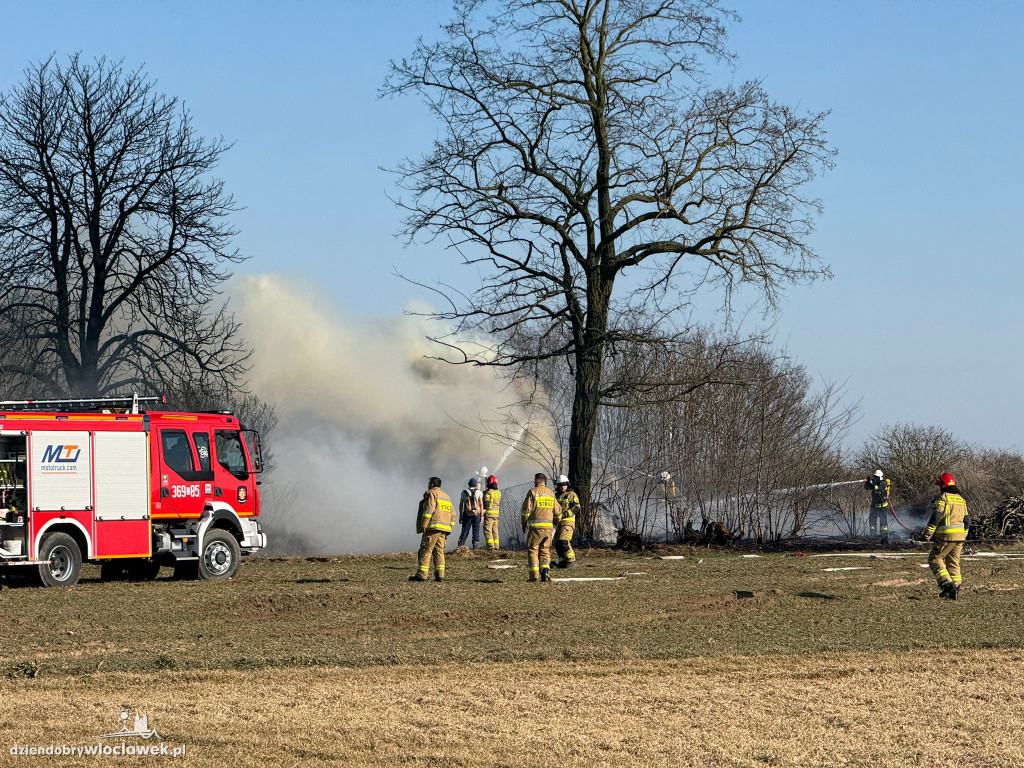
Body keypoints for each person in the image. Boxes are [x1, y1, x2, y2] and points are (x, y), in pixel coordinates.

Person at [923, 472, 970, 600]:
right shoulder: (961, 499)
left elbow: (936, 516)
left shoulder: (943, 498)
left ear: (942, 485)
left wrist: (928, 533)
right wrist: (964, 534)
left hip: (946, 536)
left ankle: (947, 585)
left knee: (935, 559)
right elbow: (967, 520)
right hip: (960, 537)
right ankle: (956, 588)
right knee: (953, 562)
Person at [411, 477, 455, 582]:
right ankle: (440, 575)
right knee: (439, 551)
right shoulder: (446, 496)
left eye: (428, 484)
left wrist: (423, 525)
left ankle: (421, 575)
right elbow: (453, 514)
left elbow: (429, 510)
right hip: (444, 529)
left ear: (431, 484)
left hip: (432, 528)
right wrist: (450, 528)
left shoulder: (431, 493)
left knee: (426, 550)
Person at [521, 472, 561, 582]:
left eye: (535, 480)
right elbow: (558, 513)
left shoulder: (533, 492)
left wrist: (524, 523)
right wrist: (555, 523)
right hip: (548, 528)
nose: (534, 482)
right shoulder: (551, 493)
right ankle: (545, 573)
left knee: (533, 549)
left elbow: (526, 511)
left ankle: (534, 576)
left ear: (538, 481)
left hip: (536, 528)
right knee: (545, 550)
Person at [553, 474, 579, 568]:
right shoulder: (555, 495)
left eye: (564, 485)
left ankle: (571, 560)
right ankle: (562, 561)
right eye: (561, 485)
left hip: (567, 523)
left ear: (567, 484)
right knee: (557, 543)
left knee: (563, 541)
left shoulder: (571, 494)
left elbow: (577, 508)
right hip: (557, 523)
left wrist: (565, 514)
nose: (563, 487)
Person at [864, 469, 891, 543]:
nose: (875, 478)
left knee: (883, 522)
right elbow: (867, 488)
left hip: (882, 507)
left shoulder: (883, 484)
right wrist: (867, 482)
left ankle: (884, 536)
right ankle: (873, 535)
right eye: (874, 477)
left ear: (880, 477)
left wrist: (871, 483)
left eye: (876, 477)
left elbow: (876, 488)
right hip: (874, 506)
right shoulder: (874, 483)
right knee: (872, 521)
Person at [457, 477, 483, 549]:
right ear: (476, 485)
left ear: (469, 484)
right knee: (476, 530)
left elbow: (461, 504)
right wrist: (481, 516)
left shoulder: (464, 492)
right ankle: (475, 546)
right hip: (476, 514)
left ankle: (461, 545)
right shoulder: (479, 492)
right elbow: (481, 504)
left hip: (467, 513)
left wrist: (460, 515)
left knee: (465, 530)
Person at [482, 474, 502, 550]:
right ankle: (496, 546)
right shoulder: (499, 492)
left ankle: (490, 546)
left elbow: (486, 504)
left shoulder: (488, 492)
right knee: (495, 531)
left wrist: (483, 513)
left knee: (488, 530)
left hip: (489, 514)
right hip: (496, 515)